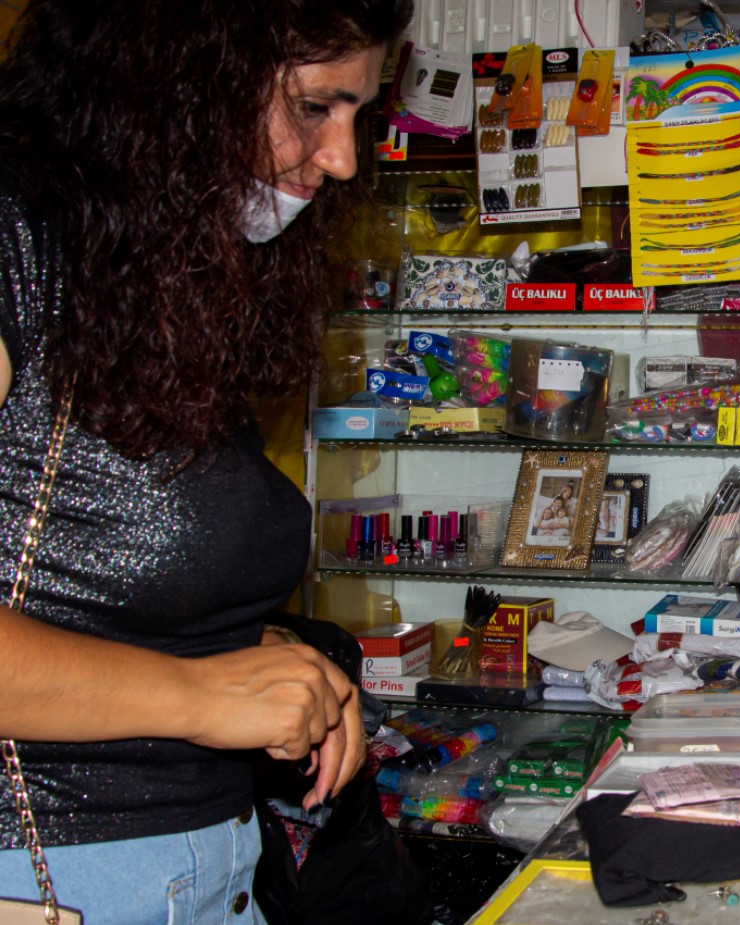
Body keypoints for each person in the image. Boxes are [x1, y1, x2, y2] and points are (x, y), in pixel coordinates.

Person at [0, 0, 412, 920]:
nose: (342, 157)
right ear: (179, 77)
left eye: (358, 114)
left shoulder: (145, 276)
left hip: (205, 869)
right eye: (313, 106)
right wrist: (195, 691)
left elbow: (103, 582)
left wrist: (261, 660)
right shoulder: (17, 239)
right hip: (54, 876)